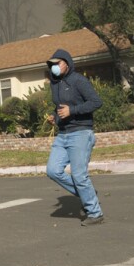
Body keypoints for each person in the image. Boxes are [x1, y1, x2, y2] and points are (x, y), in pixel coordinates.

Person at [45, 49, 104, 227]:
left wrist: (73, 111)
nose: (55, 67)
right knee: (53, 170)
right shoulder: (54, 84)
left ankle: (95, 213)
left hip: (80, 132)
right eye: (52, 64)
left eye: (58, 63)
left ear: (67, 63)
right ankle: (88, 194)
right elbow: (60, 108)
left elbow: (96, 102)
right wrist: (55, 117)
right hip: (63, 134)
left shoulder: (79, 80)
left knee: (79, 175)